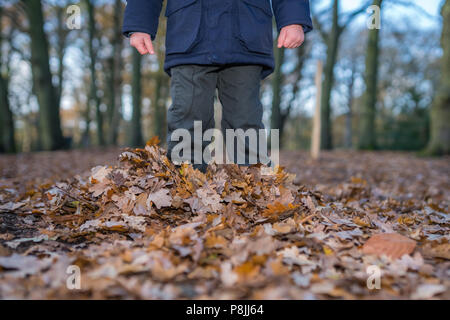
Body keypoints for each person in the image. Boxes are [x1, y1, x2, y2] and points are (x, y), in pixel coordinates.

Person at [123, 0, 313, 172]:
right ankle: (184, 180)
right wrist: (140, 24)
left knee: (245, 117)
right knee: (188, 113)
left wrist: (293, 20)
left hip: (247, 36)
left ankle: (255, 180)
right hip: (189, 35)